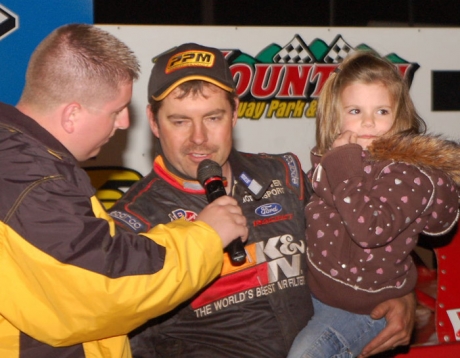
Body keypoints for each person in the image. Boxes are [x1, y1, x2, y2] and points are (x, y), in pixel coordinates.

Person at [109, 43, 417, 358]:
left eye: (213, 118)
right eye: (180, 121)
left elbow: (361, 248)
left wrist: (402, 296)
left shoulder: (285, 174)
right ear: (153, 121)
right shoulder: (133, 222)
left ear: (235, 113)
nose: (198, 138)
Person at [0, 24, 249, 358]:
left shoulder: (26, 159)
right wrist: (205, 236)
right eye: (116, 111)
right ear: (72, 114)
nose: (124, 124)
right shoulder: (31, 182)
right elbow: (105, 285)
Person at [287, 51, 460, 358]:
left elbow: (369, 230)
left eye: (381, 111)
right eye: (355, 110)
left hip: (367, 308)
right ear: (334, 117)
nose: (368, 121)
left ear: (400, 118)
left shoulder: (410, 175)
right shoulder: (334, 160)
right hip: (315, 291)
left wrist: (342, 166)